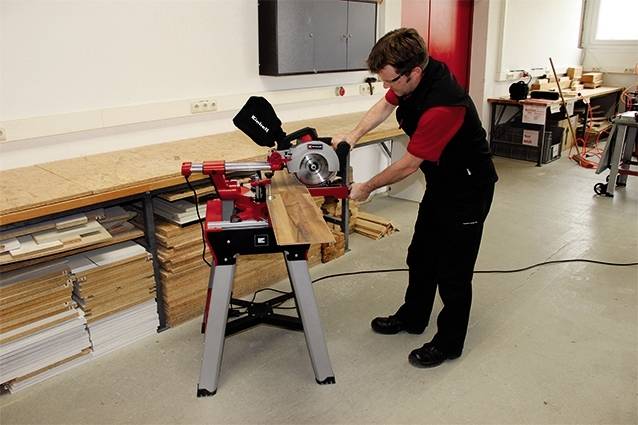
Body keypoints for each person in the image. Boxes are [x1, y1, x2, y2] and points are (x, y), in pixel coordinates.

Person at [332, 28, 498, 368]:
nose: (387, 87)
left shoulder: (444, 106)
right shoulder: (414, 76)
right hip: (441, 183)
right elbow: (383, 106)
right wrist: (353, 133)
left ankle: (449, 343)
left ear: (414, 73)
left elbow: (407, 165)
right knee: (421, 255)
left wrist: (365, 187)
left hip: (468, 189)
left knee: (453, 272)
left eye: (391, 80)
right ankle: (413, 317)